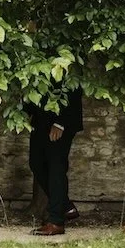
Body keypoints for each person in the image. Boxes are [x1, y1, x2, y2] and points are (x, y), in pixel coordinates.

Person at [25, 87, 83, 236]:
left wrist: (60, 122)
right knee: (36, 163)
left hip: (61, 121)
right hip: (40, 119)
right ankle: (66, 206)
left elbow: (72, 88)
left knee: (56, 167)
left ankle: (56, 221)